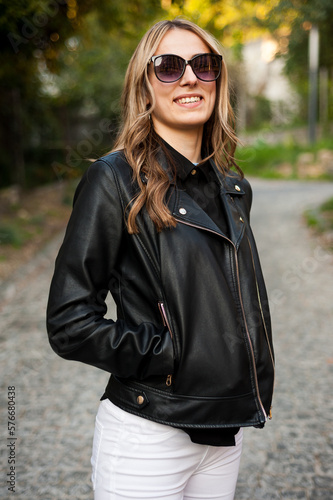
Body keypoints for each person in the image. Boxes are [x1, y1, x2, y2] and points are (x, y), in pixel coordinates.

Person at [47, 18, 275, 500]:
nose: (190, 77)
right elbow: (69, 320)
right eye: (169, 67)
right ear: (145, 86)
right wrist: (169, 354)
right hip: (146, 437)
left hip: (223, 432)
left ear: (218, 80)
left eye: (204, 65)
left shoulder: (234, 188)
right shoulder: (113, 181)